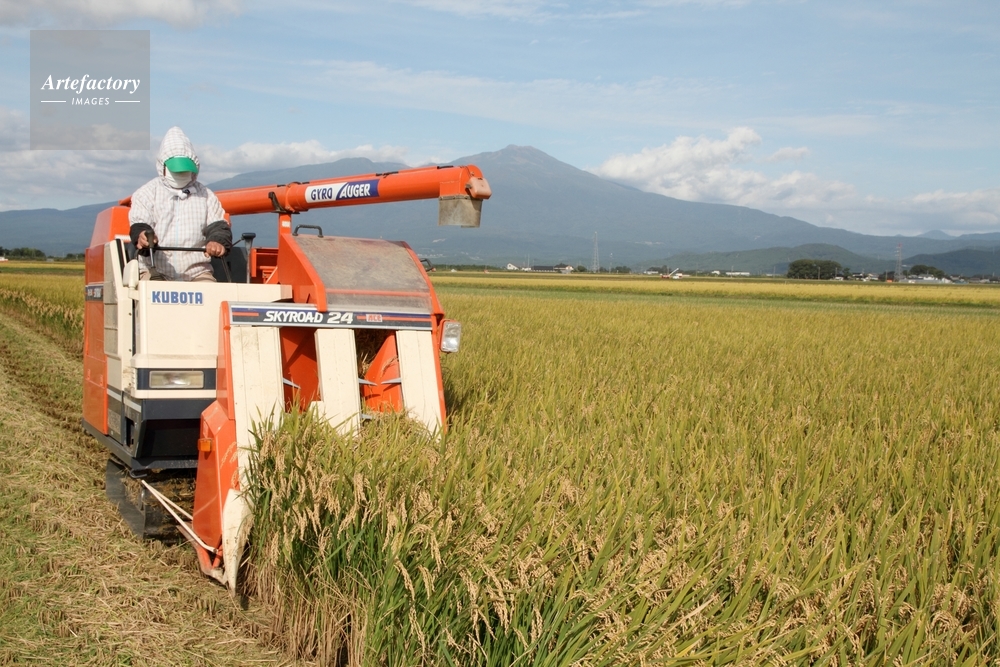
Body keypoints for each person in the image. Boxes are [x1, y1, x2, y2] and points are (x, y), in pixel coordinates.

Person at [129, 126, 232, 281]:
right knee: (150, 291)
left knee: (211, 293)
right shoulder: (146, 193)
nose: (181, 174)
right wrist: (143, 236)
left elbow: (218, 226)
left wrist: (217, 241)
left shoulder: (206, 196)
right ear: (162, 166)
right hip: (154, 270)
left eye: (185, 170)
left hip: (197, 273)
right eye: (176, 171)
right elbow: (140, 224)